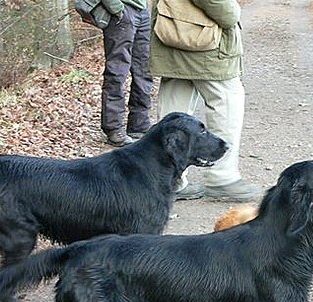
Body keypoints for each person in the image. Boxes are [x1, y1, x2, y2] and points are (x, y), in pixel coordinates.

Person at [148, 0, 260, 201]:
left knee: (175, 101)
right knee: (226, 99)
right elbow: (220, 7)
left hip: (172, 29)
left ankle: (169, 179)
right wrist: (230, 12)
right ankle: (222, 177)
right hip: (204, 37)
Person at [100, 0, 154, 146]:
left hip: (143, 12)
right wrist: (117, 9)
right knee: (117, 72)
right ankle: (113, 128)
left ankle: (139, 125)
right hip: (123, 12)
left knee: (144, 70)